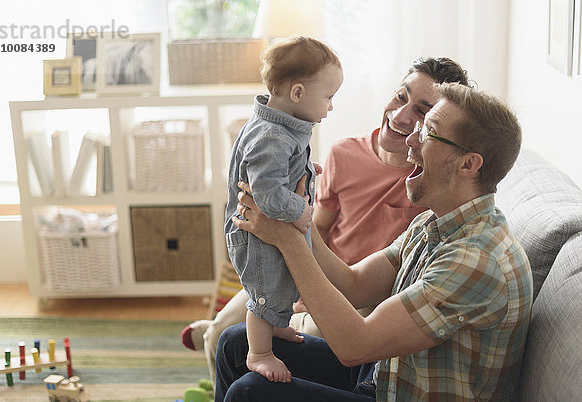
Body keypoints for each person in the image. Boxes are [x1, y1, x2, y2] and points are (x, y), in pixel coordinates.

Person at [216, 82, 533, 401]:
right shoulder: (435, 221)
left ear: (468, 164)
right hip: (383, 376)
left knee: (250, 392)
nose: (410, 138)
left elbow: (355, 345)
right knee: (235, 343)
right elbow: (354, 285)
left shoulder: (476, 260)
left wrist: (287, 239)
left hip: (393, 390)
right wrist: (297, 210)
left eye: (427, 132)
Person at [181, 56, 472, 382]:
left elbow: (374, 285)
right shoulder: (343, 153)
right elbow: (317, 227)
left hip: (360, 300)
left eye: (422, 111)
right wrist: (298, 268)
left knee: (294, 335)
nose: (400, 115)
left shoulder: (428, 185)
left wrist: (311, 286)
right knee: (221, 333)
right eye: (401, 97)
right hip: (306, 264)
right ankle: (217, 355)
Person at [223, 36, 344, 383]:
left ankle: (274, 330)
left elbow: (277, 170)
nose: (331, 107)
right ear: (298, 93)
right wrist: (301, 210)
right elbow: (268, 194)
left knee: (283, 286)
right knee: (266, 291)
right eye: (329, 97)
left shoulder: (280, 128)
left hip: (266, 232)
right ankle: (258, 352)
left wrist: (305, 170)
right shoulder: (272, 136)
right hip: (256, 238)